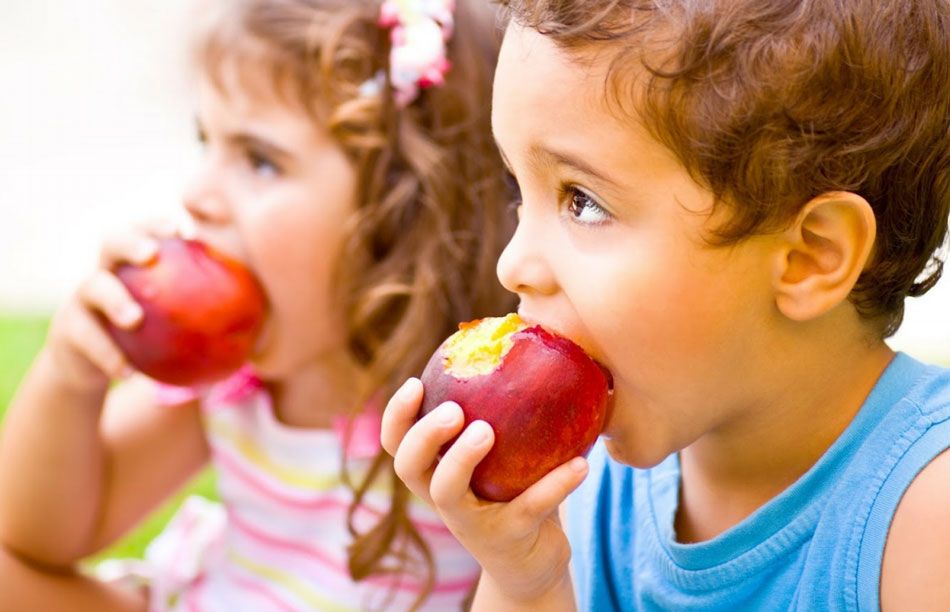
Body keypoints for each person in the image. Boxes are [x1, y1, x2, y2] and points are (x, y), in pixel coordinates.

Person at [380, 0, 950, 609]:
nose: (512, 263)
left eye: (583, 202)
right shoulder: (584, 479)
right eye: (518, 191)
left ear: (808, 256)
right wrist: (526, 581)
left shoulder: (924, 518)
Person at [0, 0, 515, 609]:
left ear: (402, 218)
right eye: (206, 142)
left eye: (260, 160)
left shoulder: (469, 422)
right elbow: (37, 539)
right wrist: (69, 378)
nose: (197, 194)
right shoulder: (232, 379)